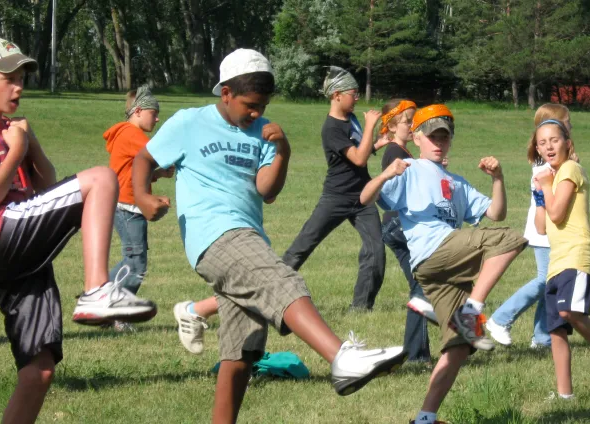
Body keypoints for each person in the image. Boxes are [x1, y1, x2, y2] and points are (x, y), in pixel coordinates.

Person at [132, 49, 406, 422]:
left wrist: (283, 150)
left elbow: (267, 190)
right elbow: (144, 159)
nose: (257, 112)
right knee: (281, 280)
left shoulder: (265, 130)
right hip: (213, 235)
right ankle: (342, 358)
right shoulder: (189, 122)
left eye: (262, 104)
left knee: (242, 353)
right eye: (249, 104)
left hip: (250, 234)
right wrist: (144, 196)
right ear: (225, 93)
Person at [0, 36, 156, 424]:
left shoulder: (13, 128)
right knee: (101, 178)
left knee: (39, 371)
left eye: (22, 77)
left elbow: (45, 187)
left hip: (23, 256)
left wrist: (30, 143)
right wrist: (14, 150)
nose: (18, 86)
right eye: (8, 78)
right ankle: (97, 290)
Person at [360, 105, 527, 424]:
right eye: (432, 136)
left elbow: (495, 213)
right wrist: (384, 174)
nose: (439, 142)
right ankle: (472, 310)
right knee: (509, 239)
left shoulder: (456, 182)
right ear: (417, 136)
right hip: (431, 251)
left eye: (444, 137)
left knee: (460, 345)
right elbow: (365, 198)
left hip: (445, 267)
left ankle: (424, 418)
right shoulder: (408, 167)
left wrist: (498, 179)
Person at [282, 66, 387, 311]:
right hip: (337, 197)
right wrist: (372, 125)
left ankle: (361, 307)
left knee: (376, 250)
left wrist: (380, 143)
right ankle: (270, 289)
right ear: (336, 95)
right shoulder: (331, 128)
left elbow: (359, 150)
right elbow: (359, 159)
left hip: (363, 196)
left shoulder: (351, 119)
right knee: (303, 246)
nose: (357, 97)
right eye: (353, 93)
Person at [532, 119, 590, 399]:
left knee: (569, 312)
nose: (549, 146)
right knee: (556, 329)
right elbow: (541, 226)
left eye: (554, 140)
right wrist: (538, 196)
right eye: (542, 142)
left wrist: (546, 186)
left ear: (568, 144)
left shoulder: (571, 169)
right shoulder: (551, 177)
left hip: (577, 254)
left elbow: (557, 214)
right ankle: (565, 395)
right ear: (537, 148)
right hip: (556, 260)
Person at [487, 103, 574, 350]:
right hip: (544, 231)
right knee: (545, 280)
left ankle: (542, 337)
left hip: (555, 231)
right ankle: (500, 319)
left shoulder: (558, 161)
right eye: (567, 123)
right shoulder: (544, 167)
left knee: (551, 283)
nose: (571, 127)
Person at [104, 85, 173, 332]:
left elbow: (133, 172)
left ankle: (102, 301)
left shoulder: (127, 135)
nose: (157, 118)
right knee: (136, 263)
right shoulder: (131, 134)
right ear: (139, 110)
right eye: (153, 113)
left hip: (128, 206)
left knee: (132, 259)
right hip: (127, 207)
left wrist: (157, 174)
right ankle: (113, 311)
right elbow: (160, 152)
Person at [377, 99, 434, 364]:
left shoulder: (403, 152)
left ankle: (417, 354)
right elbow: (403, 191)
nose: (412, 126)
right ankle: (416, 355)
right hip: (399, 225)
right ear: (390, 125)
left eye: (414, 120)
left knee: (419, 287)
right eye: (406, 121)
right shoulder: (394, 153)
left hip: (393, 226)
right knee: (423, 286)